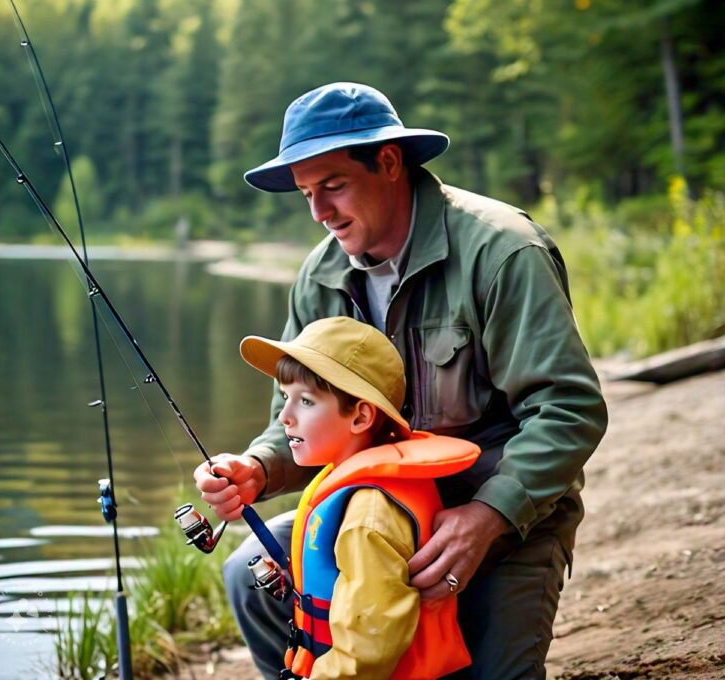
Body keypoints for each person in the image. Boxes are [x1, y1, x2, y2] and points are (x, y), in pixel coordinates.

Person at [194, 81, 608, 679]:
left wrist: (488, 517)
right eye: (307, 193)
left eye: (332, 186)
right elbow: (302, 418)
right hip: (370, 517)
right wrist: (258, 468)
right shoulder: (319, 276)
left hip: (498, 523)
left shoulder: (503, 251)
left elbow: (568, 409)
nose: (318, 212)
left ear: (389, 162)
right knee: (249, 570)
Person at [237, 315, 478, 679]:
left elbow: (367, 650)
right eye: (286, 398)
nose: (284, 416)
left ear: (361, 416)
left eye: (305, 401)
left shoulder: (369, 517)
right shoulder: (347, 480)